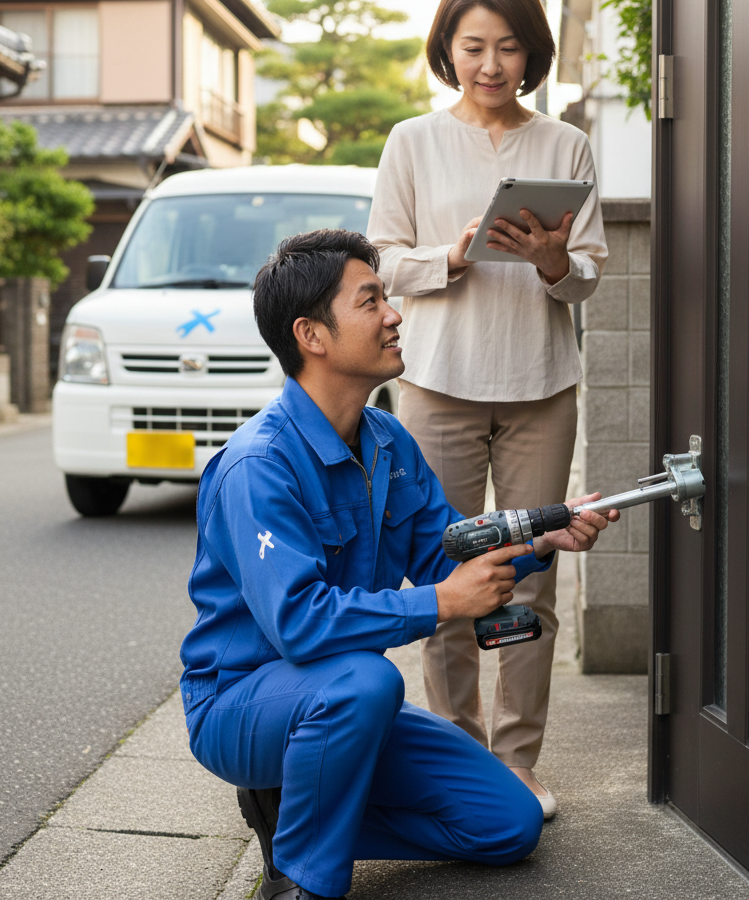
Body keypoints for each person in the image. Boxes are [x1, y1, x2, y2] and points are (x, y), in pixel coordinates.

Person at [178, 230, 616, 900]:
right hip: (242, 706)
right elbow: (299, 625)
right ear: (312, 336)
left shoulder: (386, 439)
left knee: (510, 825)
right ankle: (301, 881)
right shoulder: (258, 466)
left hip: (337, 702)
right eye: (371, 300)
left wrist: (544, 537)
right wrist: (444, 604)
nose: (394, 314)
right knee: (366, 680)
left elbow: (443, 549)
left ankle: (298, 816)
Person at [367, 0, 608, 818]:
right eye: (473, 46)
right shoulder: (413, 141)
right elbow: (384, 261)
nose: (491, 63)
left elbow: (586, 280)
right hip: (438, 384)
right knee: (452, 570)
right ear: (448, 49)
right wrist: (458, 253)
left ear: (531, 52)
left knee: (533, 572)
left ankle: (518, 763)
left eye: (508, 46)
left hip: (542, 384)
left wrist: (551, 259)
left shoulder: (566, 144)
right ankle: (458, 755)